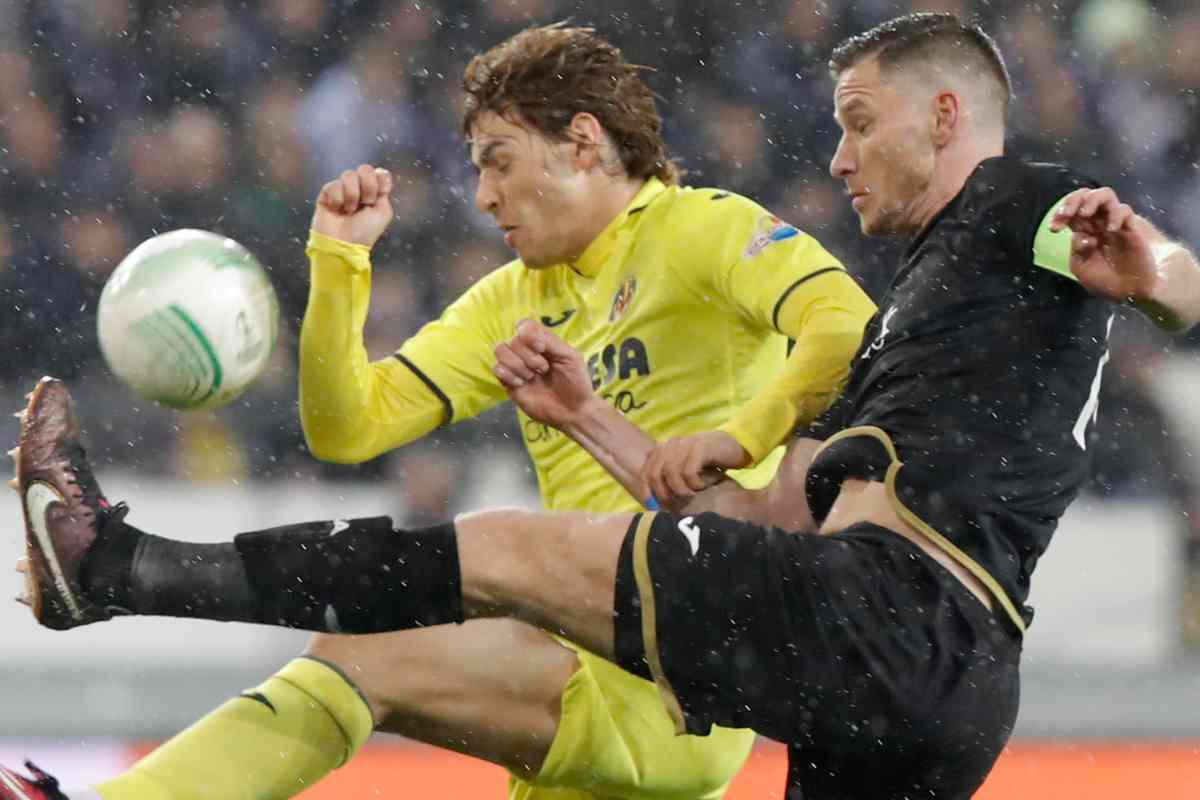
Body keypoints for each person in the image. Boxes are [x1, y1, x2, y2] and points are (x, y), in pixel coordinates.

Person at [9, 11, 1200, 800]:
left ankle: (121, 571)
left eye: (497, 160)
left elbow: (846, 328)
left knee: (420, 606)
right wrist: (341, 268)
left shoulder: (716, 232)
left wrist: (737, 430)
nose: (481, 194)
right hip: (675, 627)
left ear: (582, 143)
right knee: (385, 637)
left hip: (687, 661)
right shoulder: (509, 301)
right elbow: (346, 428)